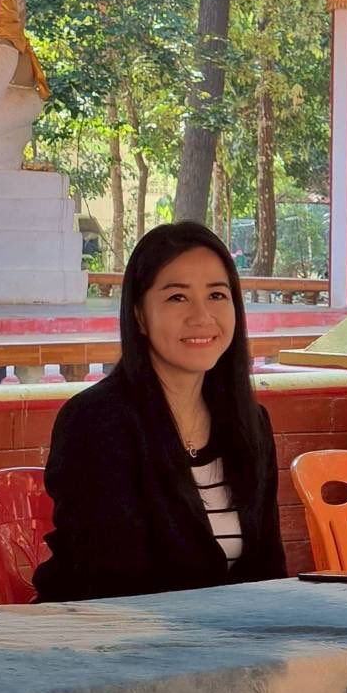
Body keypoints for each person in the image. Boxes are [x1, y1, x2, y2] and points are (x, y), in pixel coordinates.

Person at [34, 221, 287, 603]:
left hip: (224, 635)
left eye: (217, 295)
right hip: (111, 633)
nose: (202, 316)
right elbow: (113, 583)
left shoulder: (249, 423)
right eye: (177, 297)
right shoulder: (95, 423)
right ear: (139, 314)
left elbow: (268, 573)